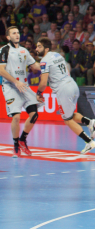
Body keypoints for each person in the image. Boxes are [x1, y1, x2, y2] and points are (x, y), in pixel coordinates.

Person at [35, 38, 95, 154]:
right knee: (69, 114)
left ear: (46, 48)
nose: (36, 49)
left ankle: (89, 142)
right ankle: (89, 122)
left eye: (39, 46)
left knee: (67, 120)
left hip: (63, 89)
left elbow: (43, 83)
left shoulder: (44, 61)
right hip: (72, 84)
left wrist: (38, 93)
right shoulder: (57, 55)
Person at [0, 26, 42, 158]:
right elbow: (1, 70)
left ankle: (23, 139)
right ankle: (16, 146)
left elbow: (35, 65)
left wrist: (49, 65)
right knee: (16, 117)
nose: (17, 35)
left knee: (34, 115)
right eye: (13, 33)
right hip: (10, 86)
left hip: (24, 86)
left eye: (18, 32)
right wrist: (15, 82)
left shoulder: (24, 50)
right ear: (8, 37)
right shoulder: (4, 50)